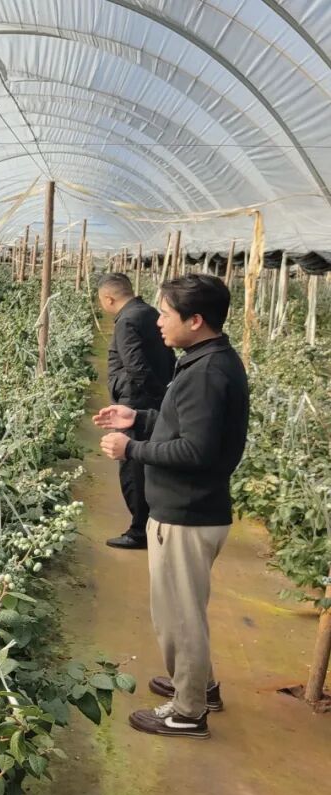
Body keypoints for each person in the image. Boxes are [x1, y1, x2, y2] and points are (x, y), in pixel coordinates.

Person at [96, 274, 249, 739]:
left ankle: (188, 711)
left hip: (187, 513)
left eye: (166, 313)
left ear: (195, 320)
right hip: (191, 509)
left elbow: (196, 451)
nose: (158, 321)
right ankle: (200, 685)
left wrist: (131, 448)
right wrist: (139, 418)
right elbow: (185, 426)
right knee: (184, 612)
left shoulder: (207, 373)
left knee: (180, 619)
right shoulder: (205, 361)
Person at [97, 272, 176, 550]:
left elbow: (135, 366)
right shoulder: (149, 312)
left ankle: (139, 530)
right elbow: (168, 357)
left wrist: (156, 394)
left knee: (133, 467)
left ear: (109, 299)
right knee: (146, 463)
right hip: (149, 401)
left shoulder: (127, 321)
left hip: (136, 402)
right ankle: (148, 524)